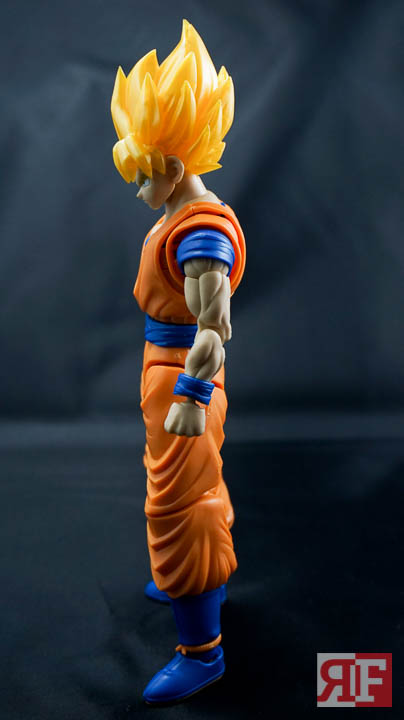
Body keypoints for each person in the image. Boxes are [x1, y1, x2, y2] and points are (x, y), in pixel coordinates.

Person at [111, 19, 246, 704]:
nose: (140, 190)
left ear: (171, 165)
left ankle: (203, 650)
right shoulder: (179, 218)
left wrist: (192, 395)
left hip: (184, 377)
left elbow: (214, 325)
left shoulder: (199, 234)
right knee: (171, 493)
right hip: (163, 372)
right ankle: (184, 585)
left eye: (144, 175)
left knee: (182, 505)